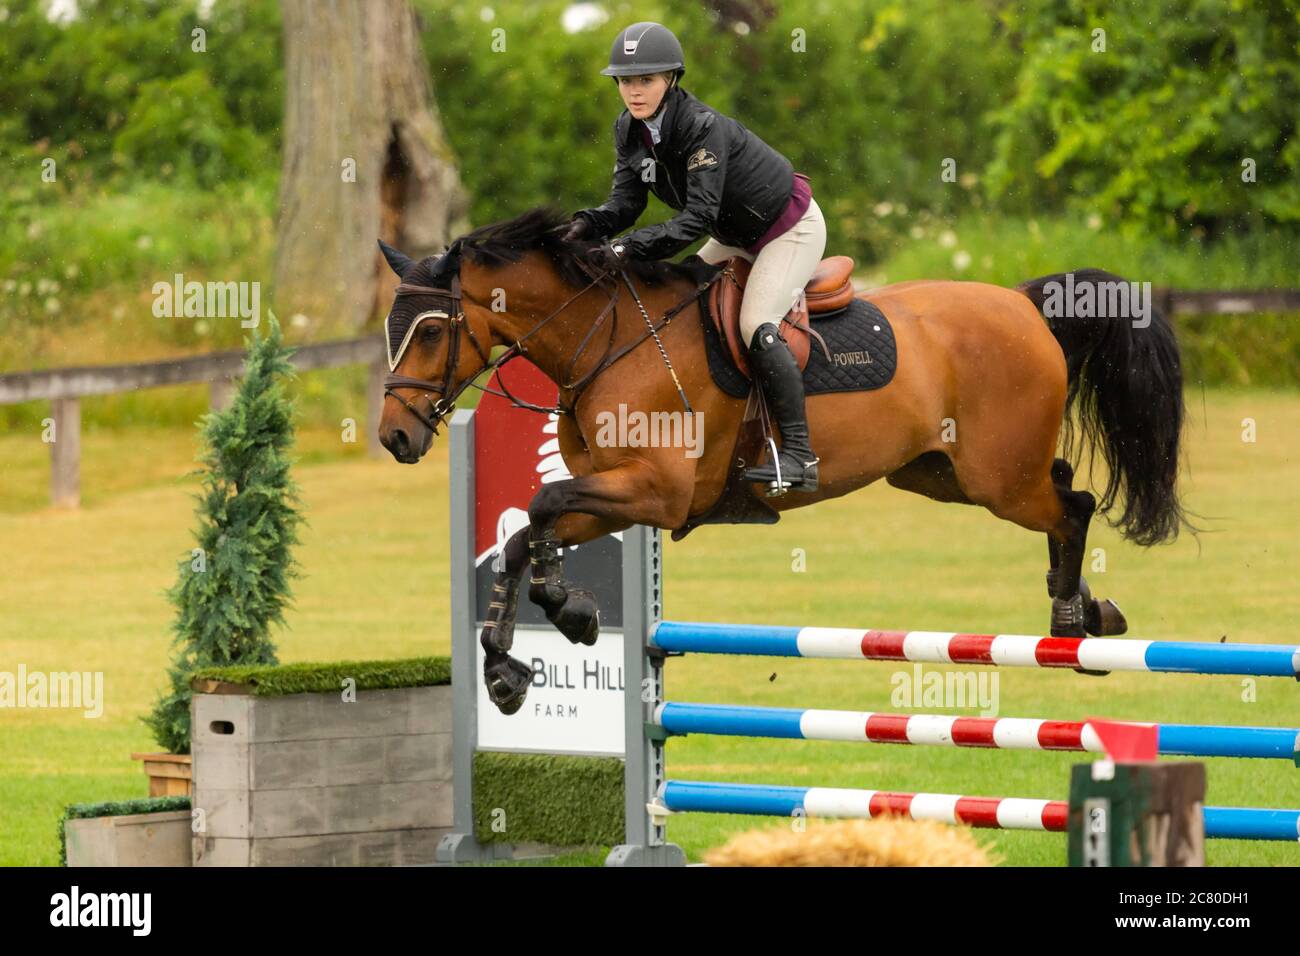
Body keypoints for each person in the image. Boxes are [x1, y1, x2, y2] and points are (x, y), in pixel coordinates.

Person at [562, 21, 826, 494]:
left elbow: (696, 218)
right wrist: (583, 226)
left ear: (671, 80)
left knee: (755, 326)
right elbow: (626, 204)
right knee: (683, 303)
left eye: (645, 80)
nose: (633, 91)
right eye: (625, 81)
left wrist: (622, 248)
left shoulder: (701, 127)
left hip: (787, 228)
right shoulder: (629, 129)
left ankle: (800, 456)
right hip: (733, 231)